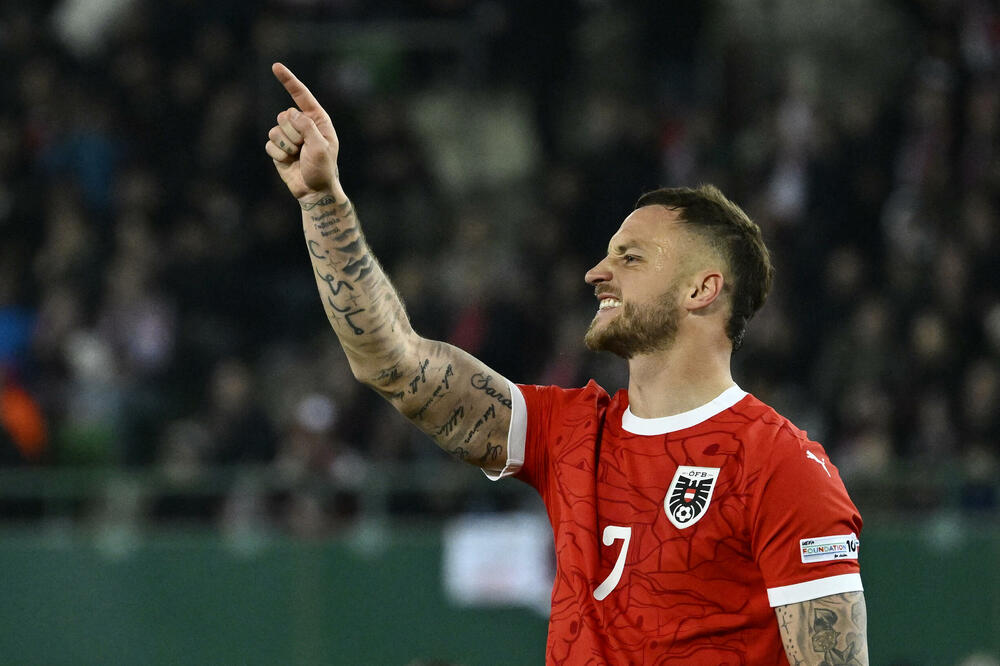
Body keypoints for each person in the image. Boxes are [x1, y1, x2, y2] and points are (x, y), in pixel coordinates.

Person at [264, 62, 869, 665]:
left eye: (630, 258)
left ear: (701, 289)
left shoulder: (780, 466)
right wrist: (323, 202)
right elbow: (394, 362)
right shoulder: (570, 433)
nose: (596, 273)